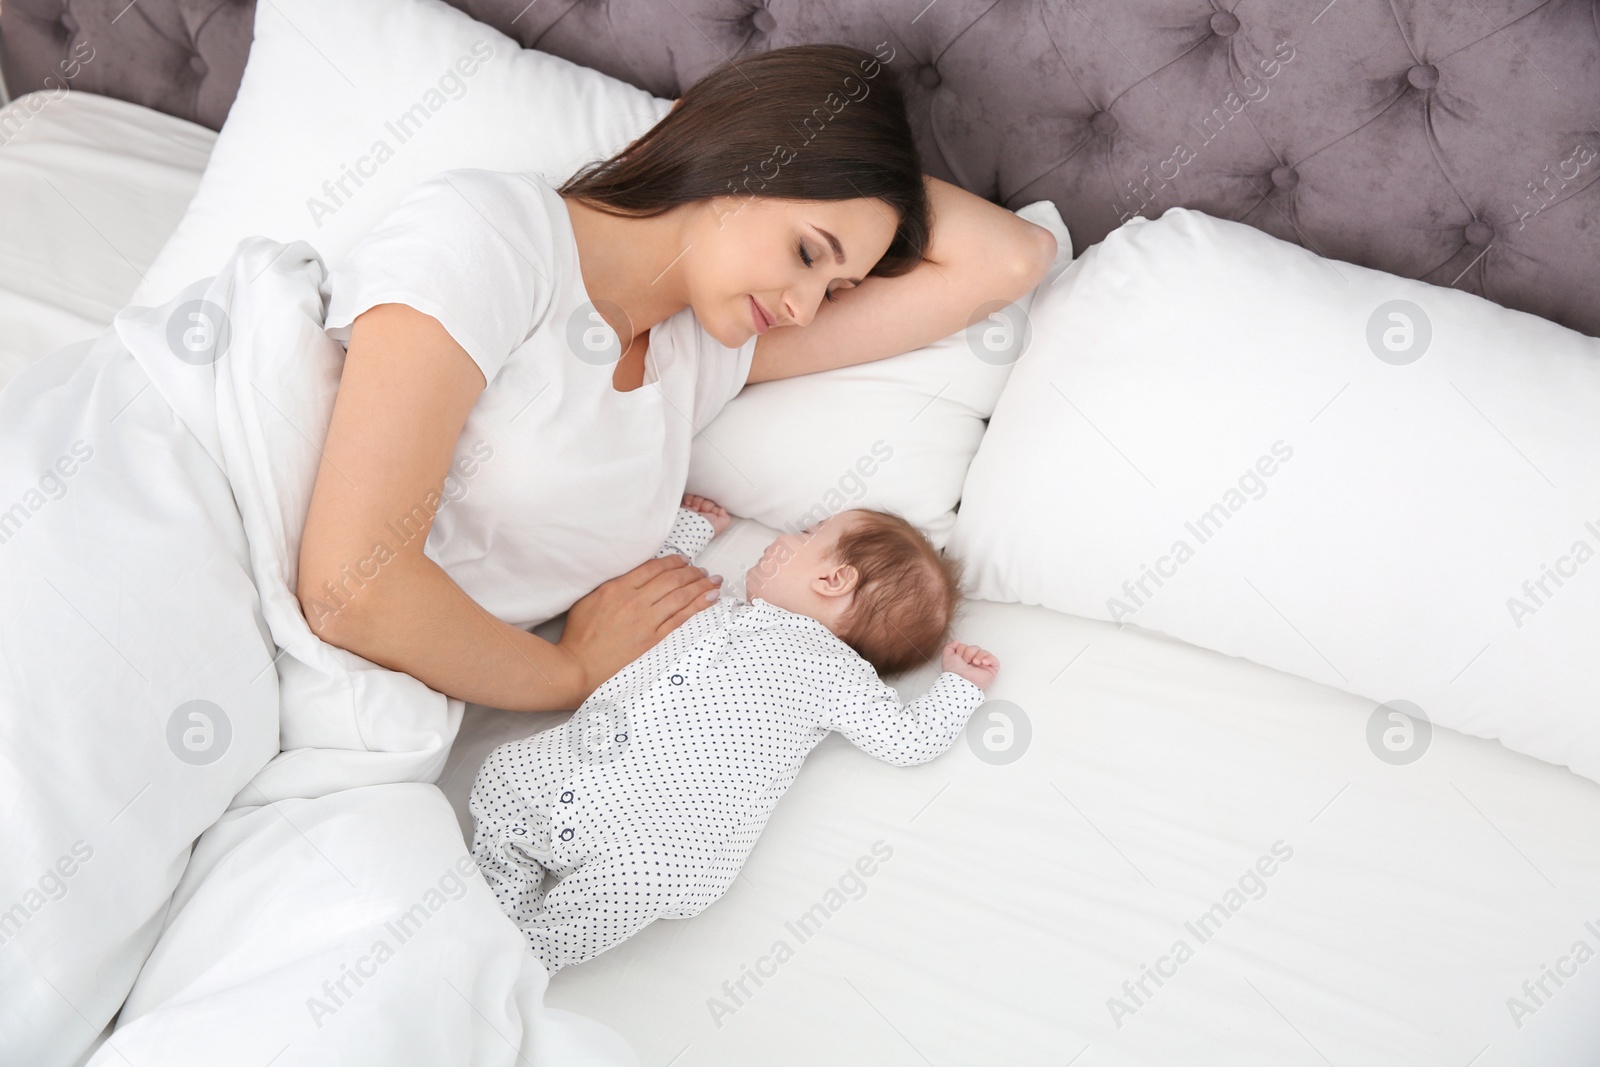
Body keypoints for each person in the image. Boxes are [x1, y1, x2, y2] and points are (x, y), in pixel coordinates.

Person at [296, 43, 1055, 713]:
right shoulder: (493, 237)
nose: (803, 309)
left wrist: (869, 181)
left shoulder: (703, 355)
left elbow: (1012, 258)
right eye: (806, 252)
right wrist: (570, 672)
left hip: (362, 696)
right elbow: (349, 589)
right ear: (738, 155)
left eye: (835, 289)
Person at [468, 496, 1001, 972]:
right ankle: (492, 908)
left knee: (639, 879)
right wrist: (692, 529)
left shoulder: (833, 671)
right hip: (578, 770)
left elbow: (906, 738)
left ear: (833, 580)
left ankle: (518, 960)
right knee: (503, 775)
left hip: (664, 836)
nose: (787, 536)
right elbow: (652, 587)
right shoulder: (716, 609)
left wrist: (958, 689)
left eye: (811, 534)